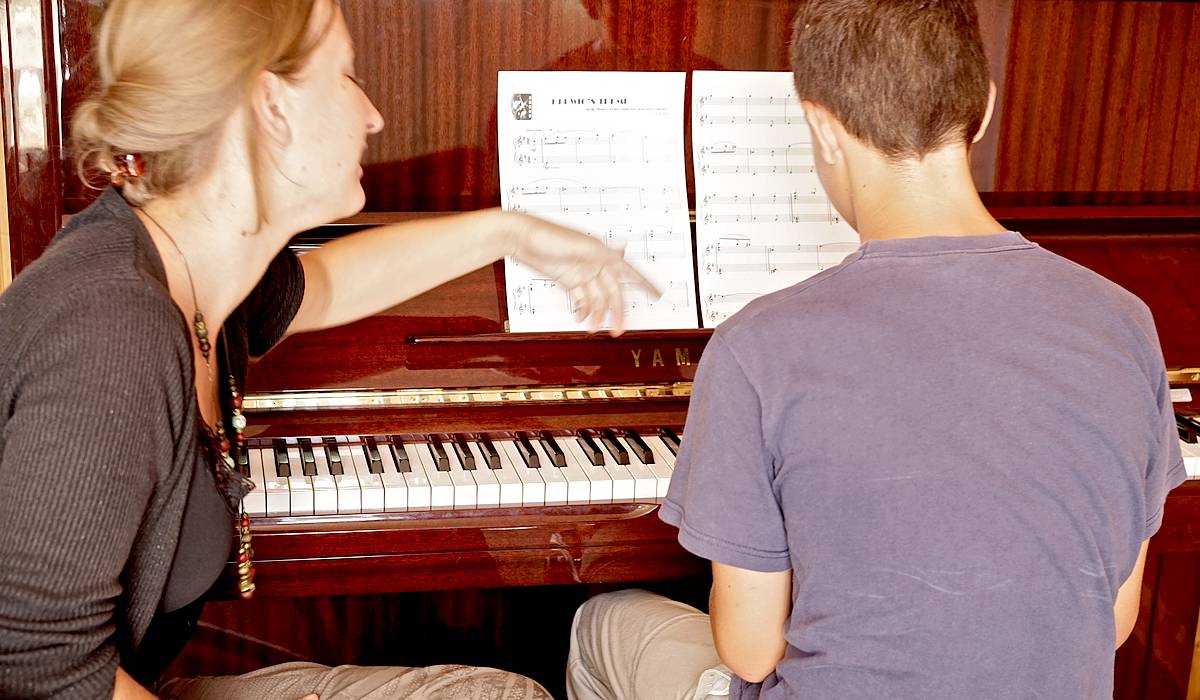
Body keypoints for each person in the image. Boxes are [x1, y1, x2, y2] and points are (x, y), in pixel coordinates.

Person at [0, 0, 656, 698]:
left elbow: (327, 283)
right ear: (271, 104)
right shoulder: (110, 329)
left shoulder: (190, 266)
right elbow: (35, 666)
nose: (373, 115)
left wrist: (509, 232)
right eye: (347, 76)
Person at [566, 1, 1187, 698]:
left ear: (822, 130)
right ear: (981, 110)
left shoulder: (758, 345)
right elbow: (1112, 617)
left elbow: (750, 652)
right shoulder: (1124, 321)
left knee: (603, 620)